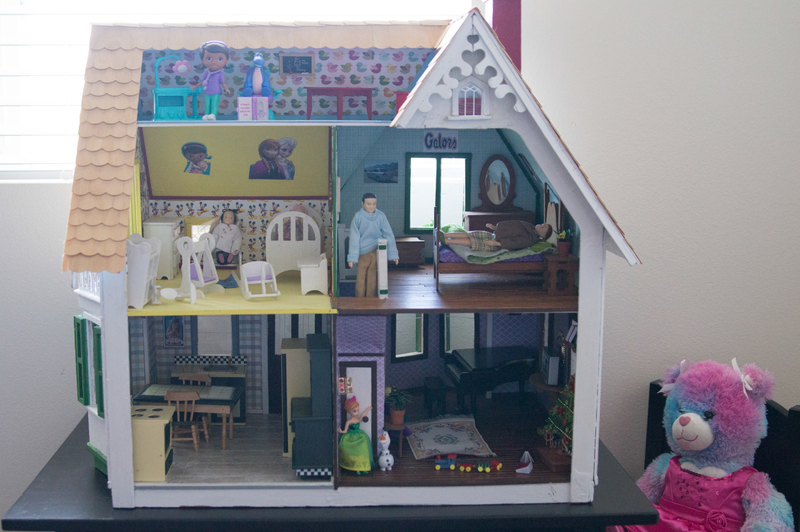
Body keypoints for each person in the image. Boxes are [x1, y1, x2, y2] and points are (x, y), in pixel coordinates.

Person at [347, 193, 399, 297]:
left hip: (376, 250)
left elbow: (388, 234)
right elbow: (354, 237)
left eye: (374, 204)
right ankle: (359, 299)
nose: (372, 206)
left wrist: (393, 254)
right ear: (362, 203)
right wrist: (352, 257)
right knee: (361, 277)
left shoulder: (381, 216)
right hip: (362, 253)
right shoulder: (358, 217)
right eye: (368, 204)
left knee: (372, 277)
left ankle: (370, 299)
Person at [190, 40, 234, 120]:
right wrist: (195, 86)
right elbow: (202, 82)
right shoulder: (207, 73)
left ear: (226, 61)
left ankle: (213, 115)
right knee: (207, 104)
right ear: (202, 60)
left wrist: (226, 89)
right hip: (207, 91)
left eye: (220, 59)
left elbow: (223, 83)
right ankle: (206, 114)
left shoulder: (220, 74)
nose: (214, 62)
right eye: (208, 58)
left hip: (216, 91)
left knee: (214, 103)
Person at [442, 221, 553, 251]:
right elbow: (511, 228)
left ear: (542, 236)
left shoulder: (530, 239)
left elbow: (515, 243)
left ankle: (447, 241)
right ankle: (445, 235)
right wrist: (495, 228)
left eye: (543, 227)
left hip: (497, 243)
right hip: (495, 235)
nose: (541, 225)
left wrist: (498, 243)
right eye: (543, 224)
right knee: (471, 234)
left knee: (473, 242)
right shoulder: (529, 227)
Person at [338, 396, 374, 475]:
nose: (357, 413)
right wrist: (341, 431)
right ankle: (356, 468)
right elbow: (345, 430)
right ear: (349, 411)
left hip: (359, 435)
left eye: (357, 410)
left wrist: (367, 410)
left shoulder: (357, 420)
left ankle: (363, 467)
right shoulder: (348, 422)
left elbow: (362, 416)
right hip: (350, 437)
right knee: (354, 452)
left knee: (362, 449)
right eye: (354, 411)